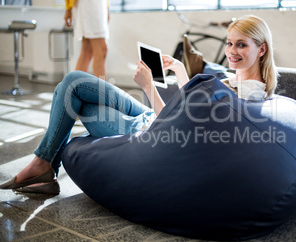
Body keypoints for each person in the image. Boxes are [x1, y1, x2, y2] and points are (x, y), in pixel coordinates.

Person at [0, 15, 278, 195]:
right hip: (150, 117)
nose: (231, 51)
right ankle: (44, 165)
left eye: (241, 45)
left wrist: (148, 86)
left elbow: (184, 128)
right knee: (72, 84)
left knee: (75, 94)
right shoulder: (236, 80)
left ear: (261, 49)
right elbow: (193, 107)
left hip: (152, 131)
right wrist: (181, 71)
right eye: (230, 43)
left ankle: (43, 163)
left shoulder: (247, 95)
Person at [62, 0, 110, 79]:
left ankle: (73, 92)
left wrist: (107, 6)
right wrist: (68, 7)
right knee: (102, 49)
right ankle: (101, 94)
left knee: (87, 50)